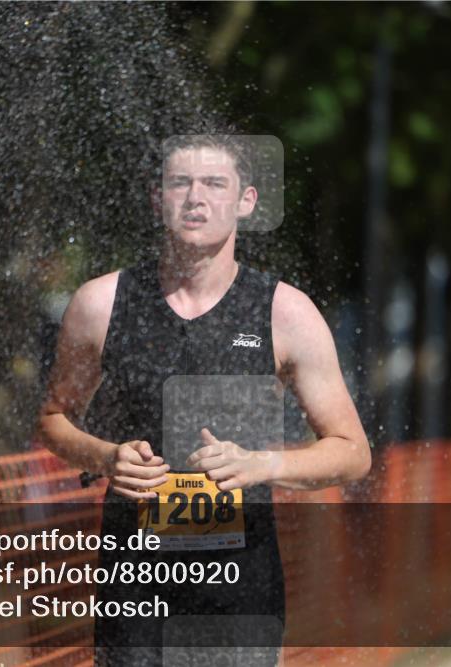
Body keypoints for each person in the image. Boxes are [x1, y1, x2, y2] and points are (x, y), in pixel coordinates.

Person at [38, 134, 371, 665]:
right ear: (158, 200)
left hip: (240, 590)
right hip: (134, 585)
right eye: (180, 183)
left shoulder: (284, 312)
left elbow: (353, 451)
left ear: (246, 201)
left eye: (215, 183)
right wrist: (105, 457)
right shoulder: (101, 303)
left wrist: (263, 464)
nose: (196, 197)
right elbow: (54, 419)